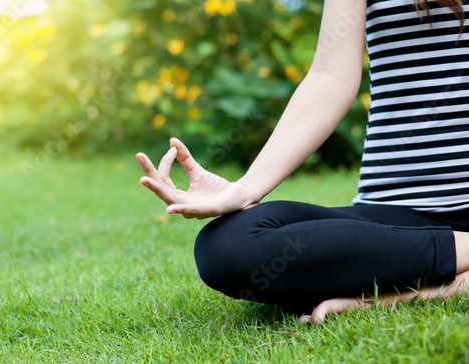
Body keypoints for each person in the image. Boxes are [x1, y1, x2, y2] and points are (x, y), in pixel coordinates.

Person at [136, 0, 469, 325]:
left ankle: (412, 290)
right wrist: (246, 189)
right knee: (226, 247)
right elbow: (331, 76)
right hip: (394, 214)